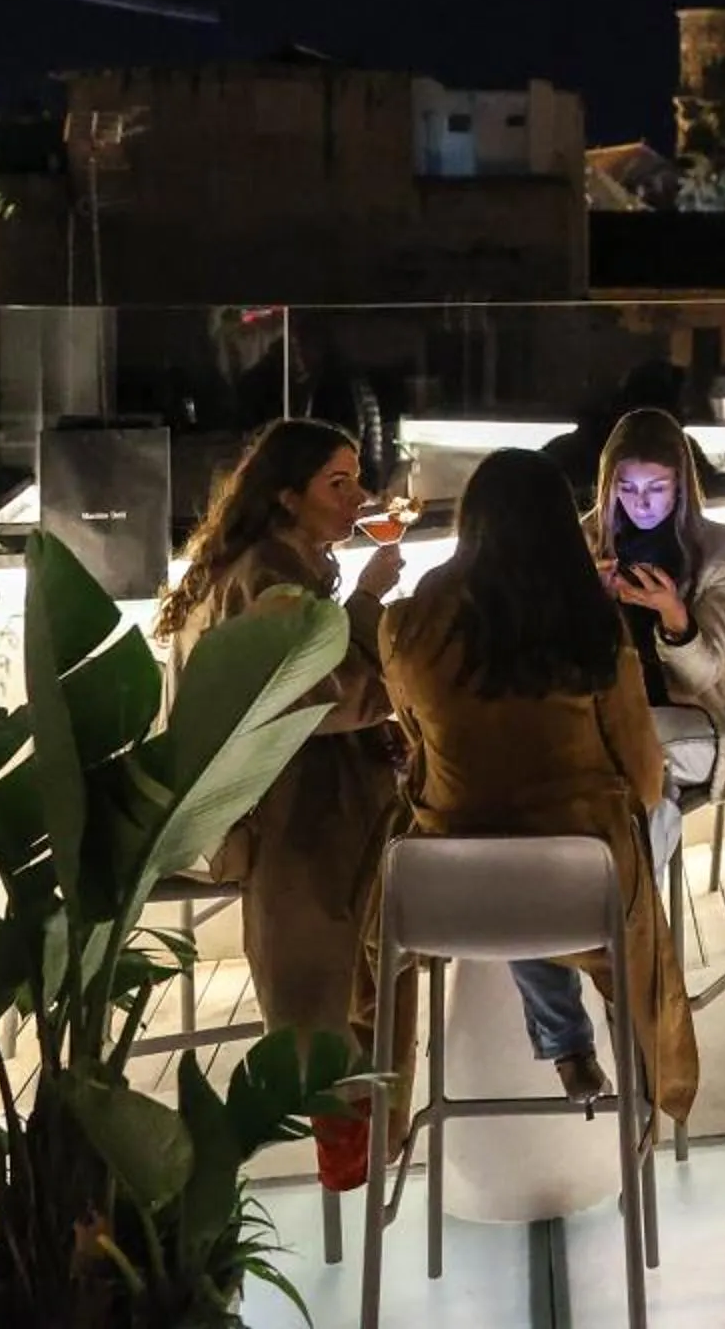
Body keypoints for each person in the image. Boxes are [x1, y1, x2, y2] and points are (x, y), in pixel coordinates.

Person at [378, 449, 698, 1120]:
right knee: (633, 829)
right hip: (578, 891)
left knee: (515, 848)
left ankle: (561, 1043)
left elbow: (418, 750)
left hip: (444, 894)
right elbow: (641, 777)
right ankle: (622, 1066)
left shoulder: (407, 624)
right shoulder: (591, 625)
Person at [155, 418, 405, 1181]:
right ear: (288, 495)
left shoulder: (273, 565)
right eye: (339, 482)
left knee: (342, 964)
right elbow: (319, 698)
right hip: (282, 811)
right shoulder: (273, 579)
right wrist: (380, 622)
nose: (359, 496)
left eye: (357, 478)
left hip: (279, 797)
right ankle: (350, 1154)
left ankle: (357, 1146)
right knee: (323, 975)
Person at [586, 408, 725, 858]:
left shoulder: (722, 549)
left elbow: (703, 676)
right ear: (609, 487)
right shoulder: (583, 542)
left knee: (628, 757)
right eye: (626, 488)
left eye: (657, 488)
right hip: (605, 706)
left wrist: (675, 618)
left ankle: (628, 899)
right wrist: (589, 600)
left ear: (681, 486)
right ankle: (616, 896)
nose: (641, 503)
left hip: (697, 710)